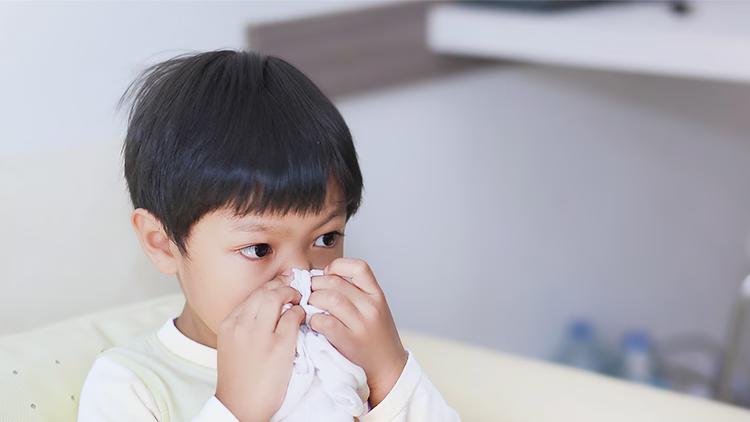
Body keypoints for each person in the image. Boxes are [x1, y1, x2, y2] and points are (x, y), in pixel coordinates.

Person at [77, 49, 460, 422]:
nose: (299, 275)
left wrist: (389, 372)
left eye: (326, 239)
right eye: (259, 248)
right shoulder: (131, 384)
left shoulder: (347, 352)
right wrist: (236, 409)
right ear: (162, 244)